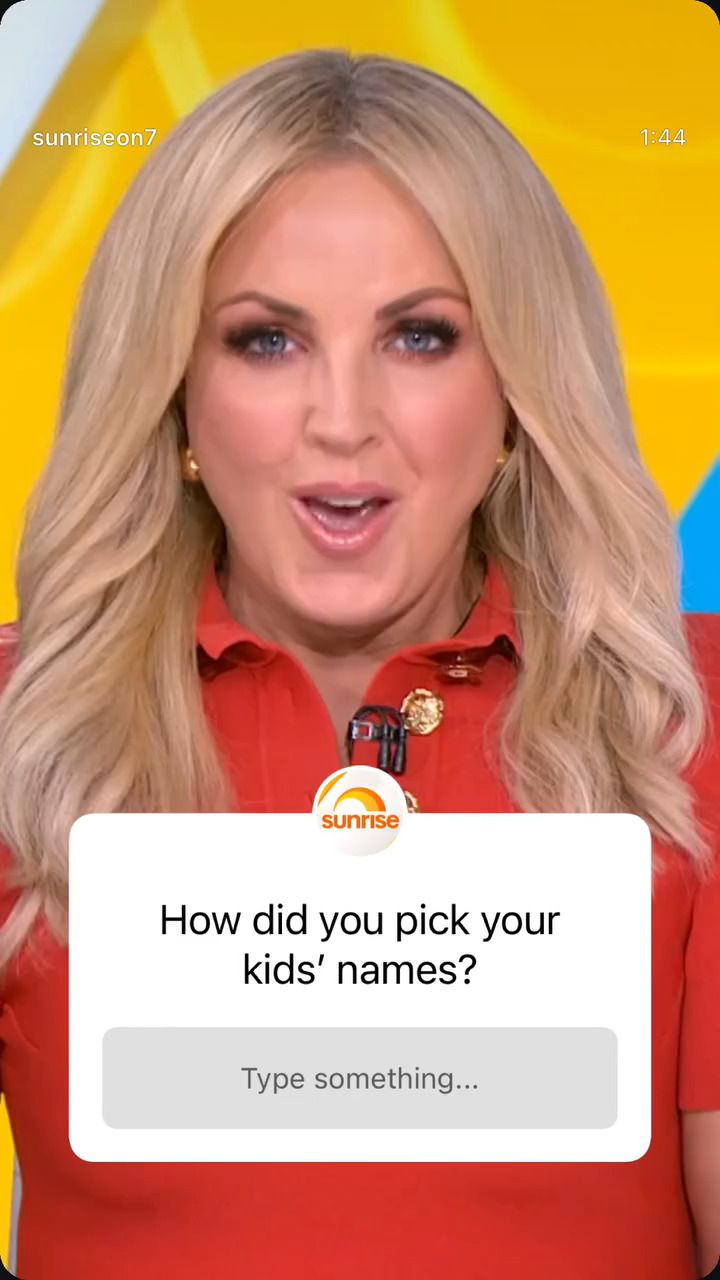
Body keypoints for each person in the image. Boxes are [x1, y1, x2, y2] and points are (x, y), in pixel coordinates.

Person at [0, 46, 718, 1280]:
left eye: (420, 336)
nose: (342, 420)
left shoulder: (684, 713)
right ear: (174, 396)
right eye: (267, 340)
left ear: (516, 395)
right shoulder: (30, 723)